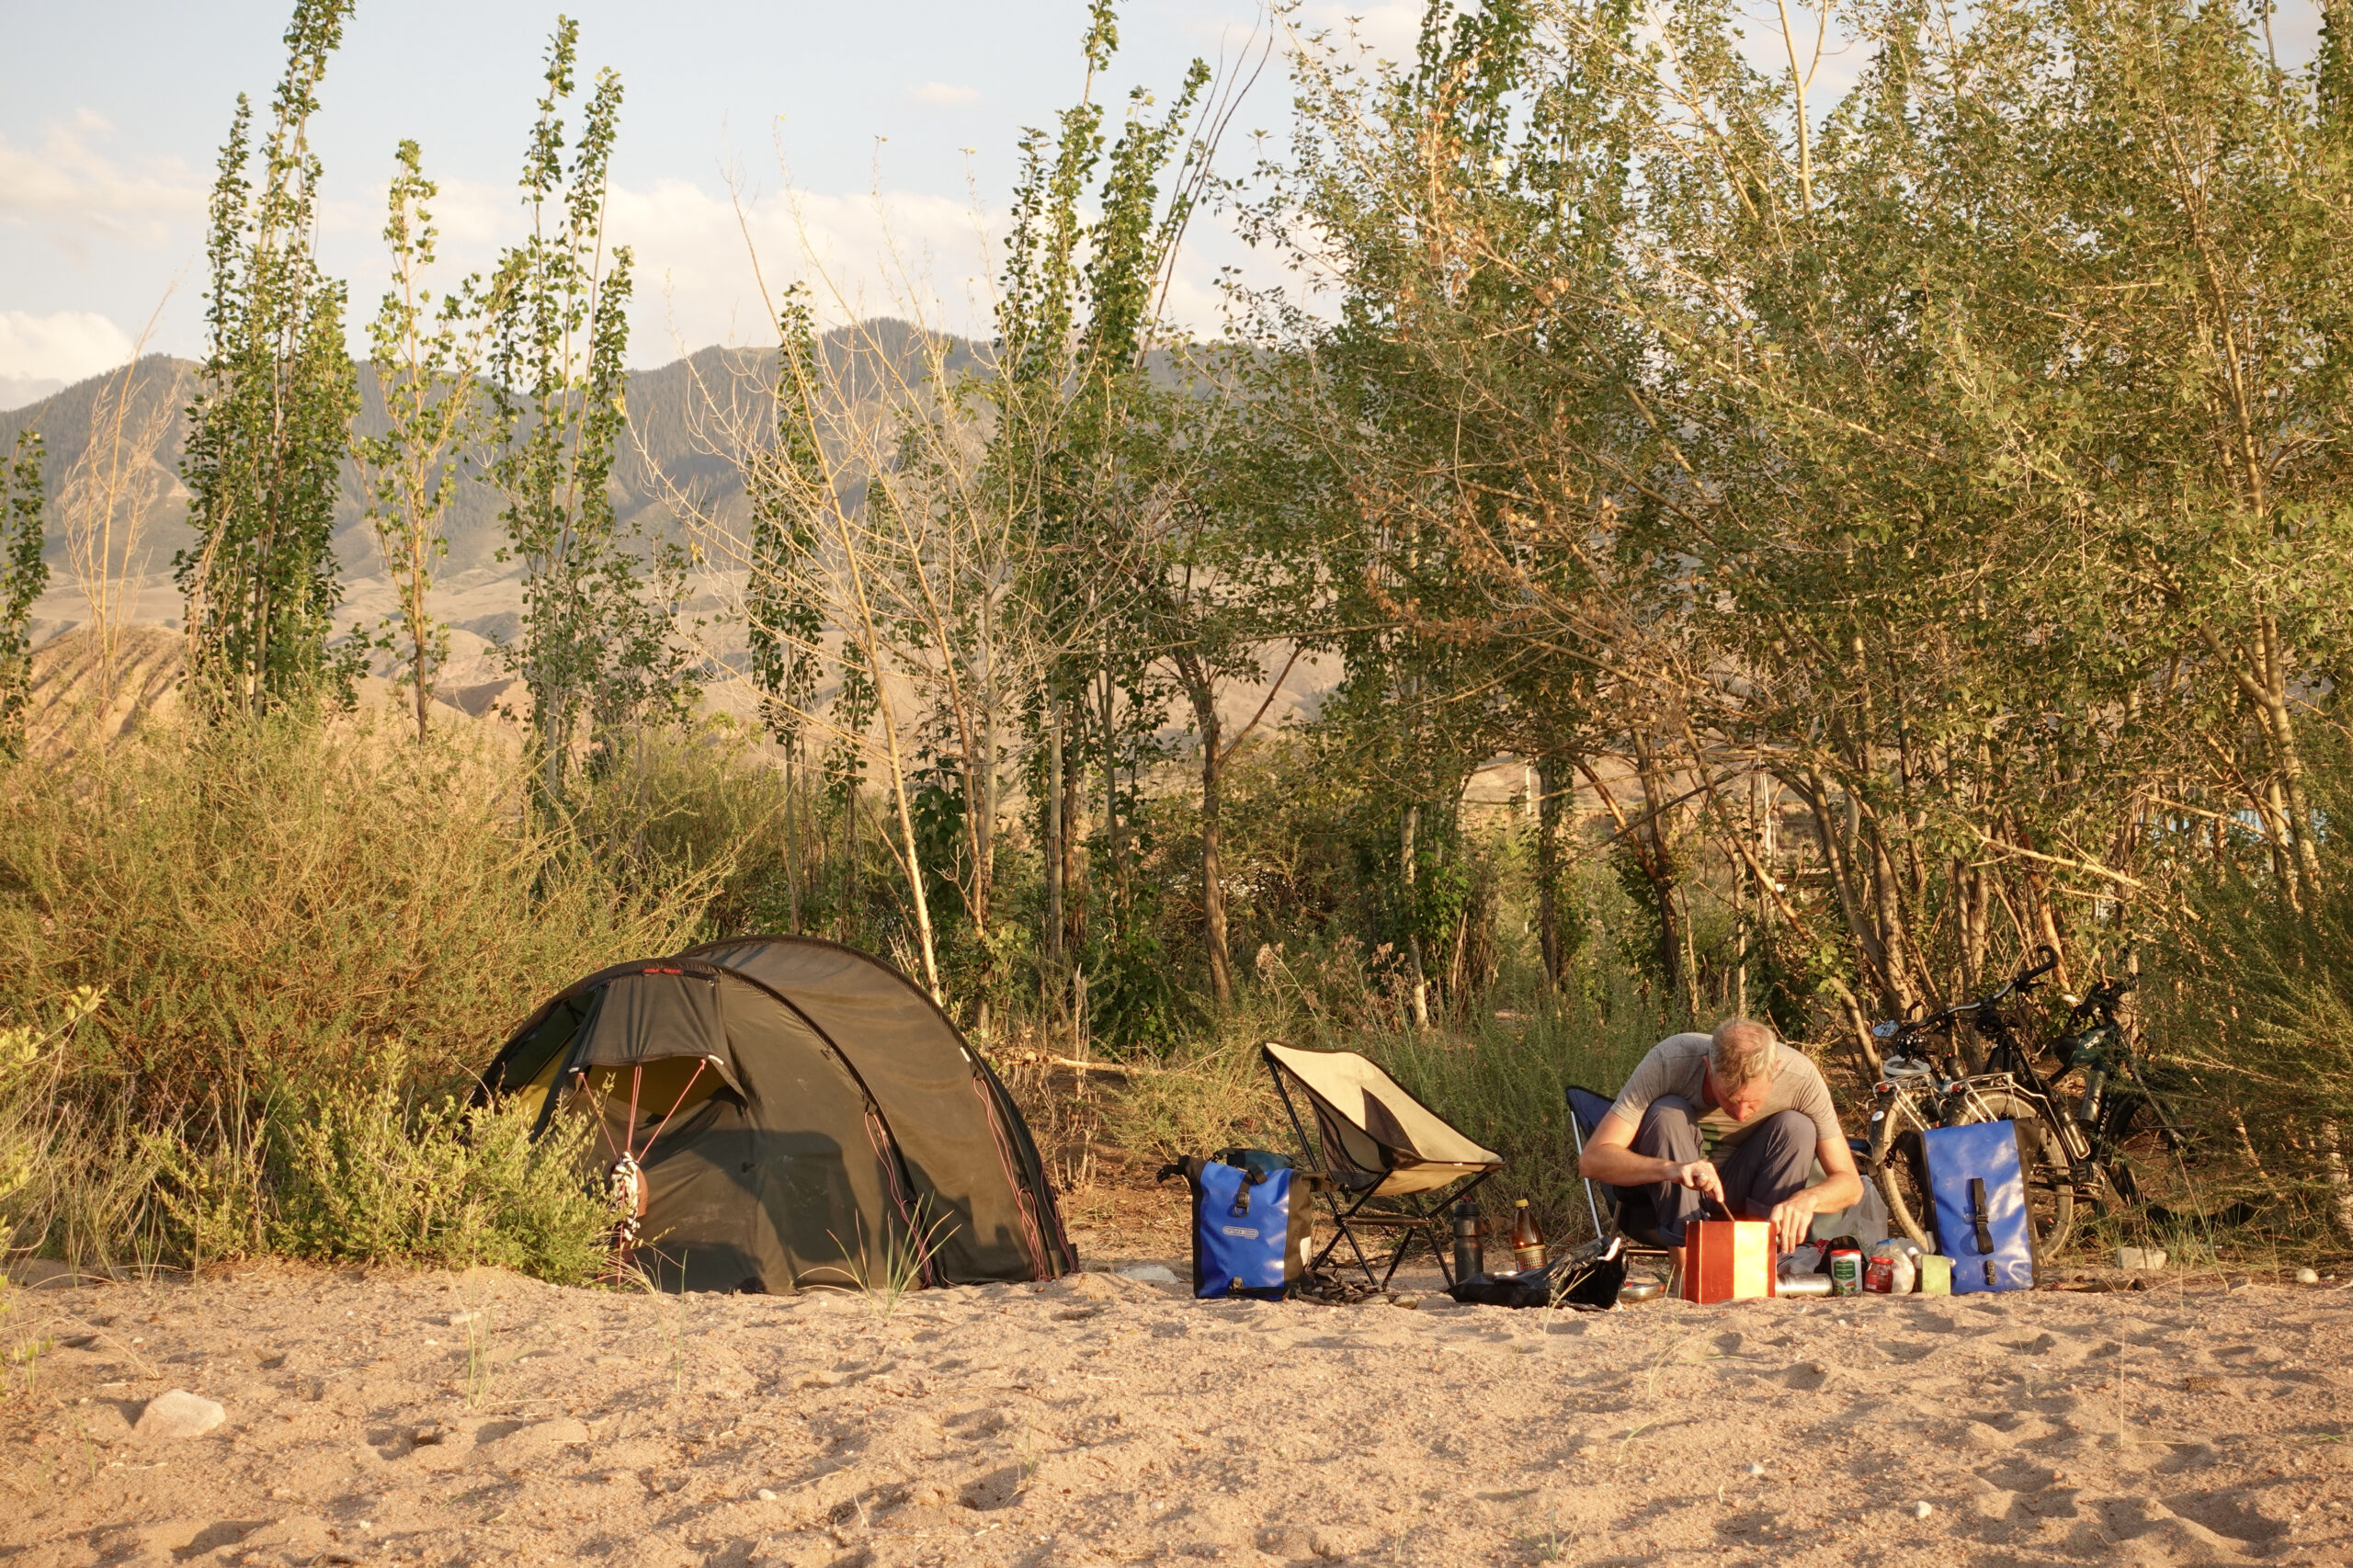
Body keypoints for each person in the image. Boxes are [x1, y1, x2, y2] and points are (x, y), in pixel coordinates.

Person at [1577, 1017, 1863, 1252]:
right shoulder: (1669, 1061)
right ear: (1708, 1067)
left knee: (1797, 1126)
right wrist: (1674, 1169)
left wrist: (1808, 1199)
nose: (1740, 1114)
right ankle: (1686, 1265)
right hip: (1668, 1194)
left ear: (1775, 1071)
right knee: (1667, 1112)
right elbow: (1593, 1160)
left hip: (1745, 1190)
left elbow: (1851, 1184)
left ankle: (1761, 1257)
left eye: (1752, 1101)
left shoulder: (1800, 1079)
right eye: (1729, 1097)